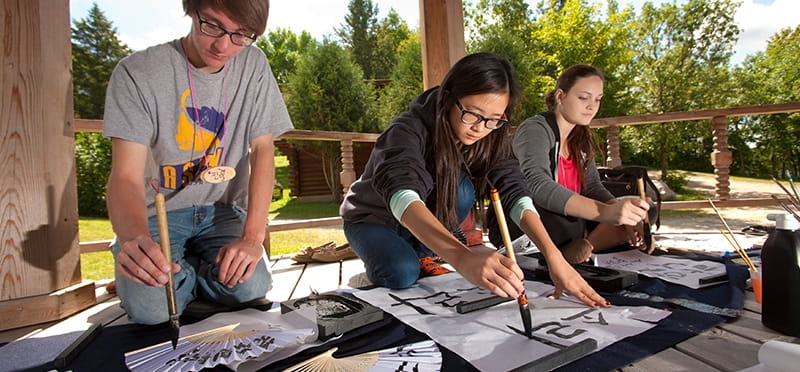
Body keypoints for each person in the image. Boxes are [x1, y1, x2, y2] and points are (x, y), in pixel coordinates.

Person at [340, 53, 609, 308]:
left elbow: (515, 190)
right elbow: (403, 194)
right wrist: (462, 257)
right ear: (449, 97)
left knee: (461, 190)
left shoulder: (491, 134)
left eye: (493, 119)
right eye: (472, 113)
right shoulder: (407, 130)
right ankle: (380, 269)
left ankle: (422, 255)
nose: (480, 127)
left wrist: (553, 256)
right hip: (374, 219)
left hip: (421, 225)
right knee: (401, 274)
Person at [103, 0, 292, 325]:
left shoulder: (254, 64)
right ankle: (170, 273)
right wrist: (135, 238)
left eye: (241, 35)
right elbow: (125, 177)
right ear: (192, 9)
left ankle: (182, 274)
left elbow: (262, 151)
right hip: (157, 213)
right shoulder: (137, 72)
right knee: (153, 309)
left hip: (223, 210)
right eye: (213, 26)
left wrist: (252, 239)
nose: (223, 45)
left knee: (252, 286)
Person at [506, 64, 652, 265]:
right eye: (583, 98)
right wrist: (606, 213)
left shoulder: (581, 137)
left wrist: (620, 211)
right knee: (564, 220)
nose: (592, 106)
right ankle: (591, 242)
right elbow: (536, 185)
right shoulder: (535, 129)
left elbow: (593, 188)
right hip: (535, 219)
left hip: (576, 222)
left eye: (597, 99)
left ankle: (586, 246)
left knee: (645, 209)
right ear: (560, 96)